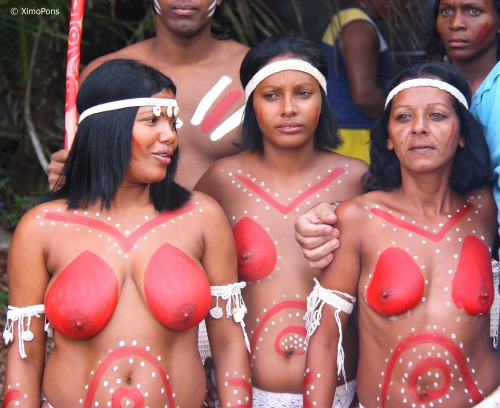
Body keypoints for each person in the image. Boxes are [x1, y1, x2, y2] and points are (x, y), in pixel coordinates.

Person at [2, 59, 252, 407]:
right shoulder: (42, 229)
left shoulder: (202, 217)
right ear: (107, 128)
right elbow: (25, 357)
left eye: (172, 122)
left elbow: (228, 344)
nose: (170, 136)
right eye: (152, 120)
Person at [303, 61, 500, 407]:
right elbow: (325, 339)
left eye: (437, 116)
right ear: (389, 139)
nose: (419, 128)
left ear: (464, 133)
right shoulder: (357, 219)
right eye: (404, 117)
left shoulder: (484, 209)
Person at [195, 34, 368, 407]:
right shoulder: (220, 181)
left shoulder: (358, 179)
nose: (288, 108)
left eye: (303, 93)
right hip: (242, 394)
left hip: (341, 393)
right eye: (271, 95)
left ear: (323, 100)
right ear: (251, 104)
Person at [48, 0, 249, 190]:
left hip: (235, 224)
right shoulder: (106, 75)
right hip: (129, 225)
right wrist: (68, 173)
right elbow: (86, 164)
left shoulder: (259, 74)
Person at [320, 0, 395, 163]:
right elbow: (364, 97)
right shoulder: (359, 29)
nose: (406, 6)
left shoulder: (343, 18)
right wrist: (402, 116)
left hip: (342, 135)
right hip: (358, 139)